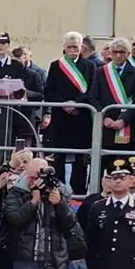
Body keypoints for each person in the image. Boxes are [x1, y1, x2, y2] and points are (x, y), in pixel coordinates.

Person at [43, 31, 96, 193]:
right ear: (64, 48)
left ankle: (79, 191)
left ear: (82, 48)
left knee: (81, 158)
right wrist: (63, 104)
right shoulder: (56, 65)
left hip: (81, 117)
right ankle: (57, 189)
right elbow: (49, 90)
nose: (72, 50)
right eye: (69, 47)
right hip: (61, 117)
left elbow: (92, 91)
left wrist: (76, 103)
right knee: (59, 156)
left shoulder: (90, 66)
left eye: (76, 47)